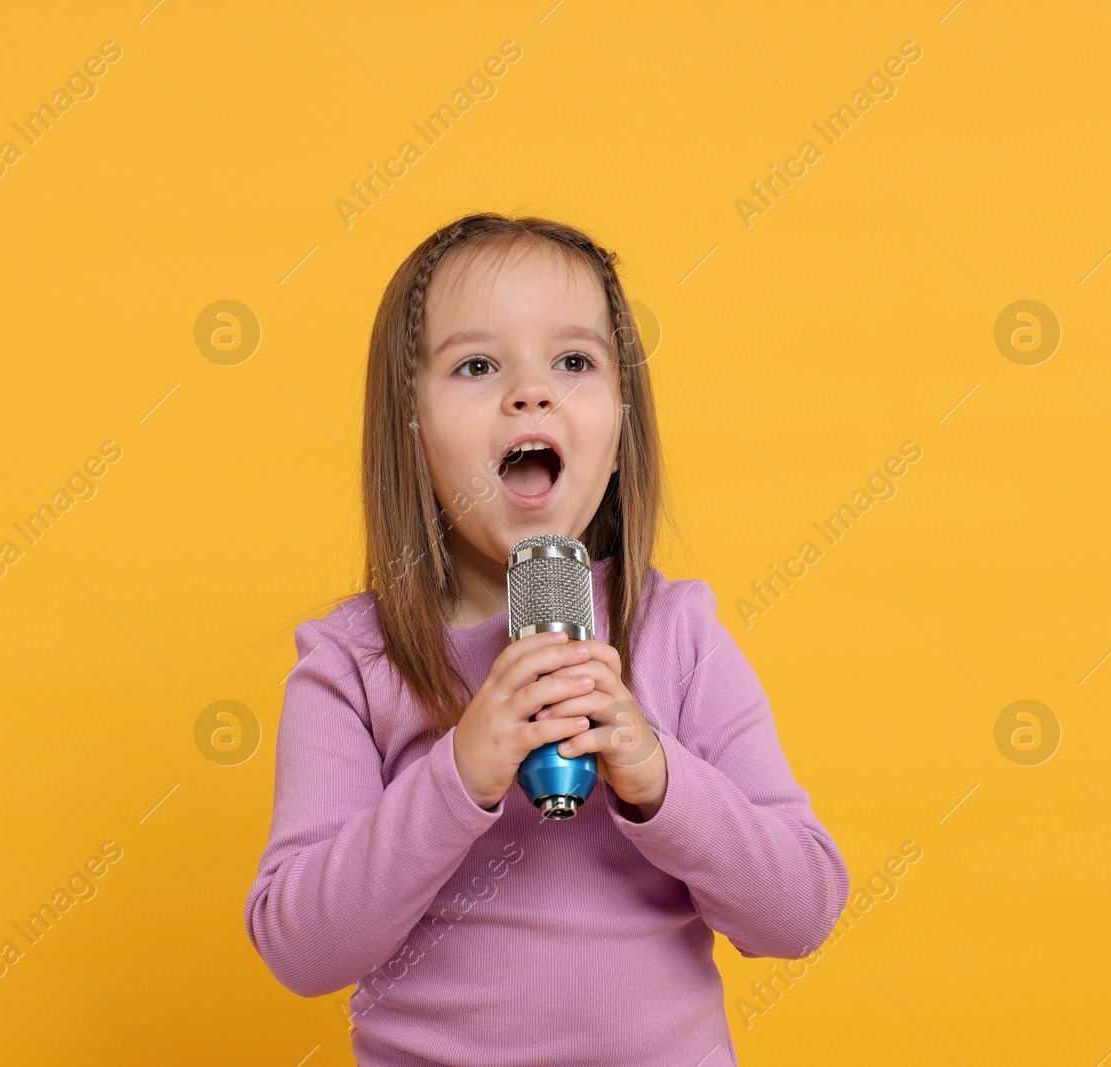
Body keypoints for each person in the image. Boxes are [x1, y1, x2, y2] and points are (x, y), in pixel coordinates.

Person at [243, 212, 849, 1066]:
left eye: (573, 361)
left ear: (617, 431)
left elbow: (801, 911)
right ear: (409, 424)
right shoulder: (353, 661)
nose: (532, 392)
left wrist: (658, 776)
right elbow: (301, 949)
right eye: (478, 365)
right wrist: (457, 774)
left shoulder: (679, 634)